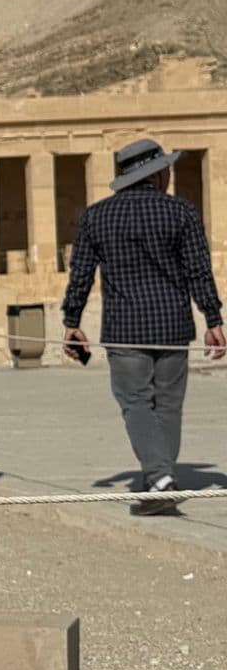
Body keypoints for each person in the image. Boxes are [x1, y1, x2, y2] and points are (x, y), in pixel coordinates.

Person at [61, 137, 227, 515]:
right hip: (172, 324)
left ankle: (159, 479)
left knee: (135, 403)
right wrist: (213, 319)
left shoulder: (97, 216)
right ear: (156, 173)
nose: (169, 174)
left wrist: (72, 321)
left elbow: (81, 274)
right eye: (166, 168)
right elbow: (198, 271)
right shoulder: (181, 212)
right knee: (168, 404)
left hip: (125, 327)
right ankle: (160, 478)